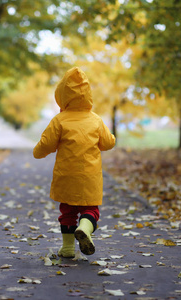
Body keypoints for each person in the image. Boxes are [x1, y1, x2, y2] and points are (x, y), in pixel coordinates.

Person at [33, 67, 116, 257]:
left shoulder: (59, 120)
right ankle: (86, 228)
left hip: (66, 176)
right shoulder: (95, 120)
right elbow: (108, 142)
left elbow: (46, 143)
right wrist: (109, 137)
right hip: (90, 177)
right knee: (90, 209)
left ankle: (68, 248)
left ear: (62, 96)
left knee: (67, 211)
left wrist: (37, 152)